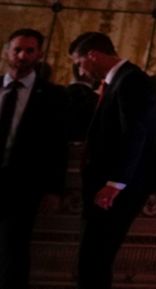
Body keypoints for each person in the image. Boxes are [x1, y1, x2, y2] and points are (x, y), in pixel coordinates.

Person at [70, 31, 156, 289]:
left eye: (80, 63)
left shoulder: (131, 80)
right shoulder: (120, 80)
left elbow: (136, 133)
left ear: (93, 55)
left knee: (95, 258)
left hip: (116, 189)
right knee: (92, 258)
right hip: (109, 186)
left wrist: (116, 183)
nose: (80, 71)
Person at [0, 28, 69, 288]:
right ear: (7, 51)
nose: (22, 56)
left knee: (13, 249)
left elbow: (57, 145)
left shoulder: (52, 95)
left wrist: (54, 189)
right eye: (17, 49)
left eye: (29, 51)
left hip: (22, 183)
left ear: (39, 54)